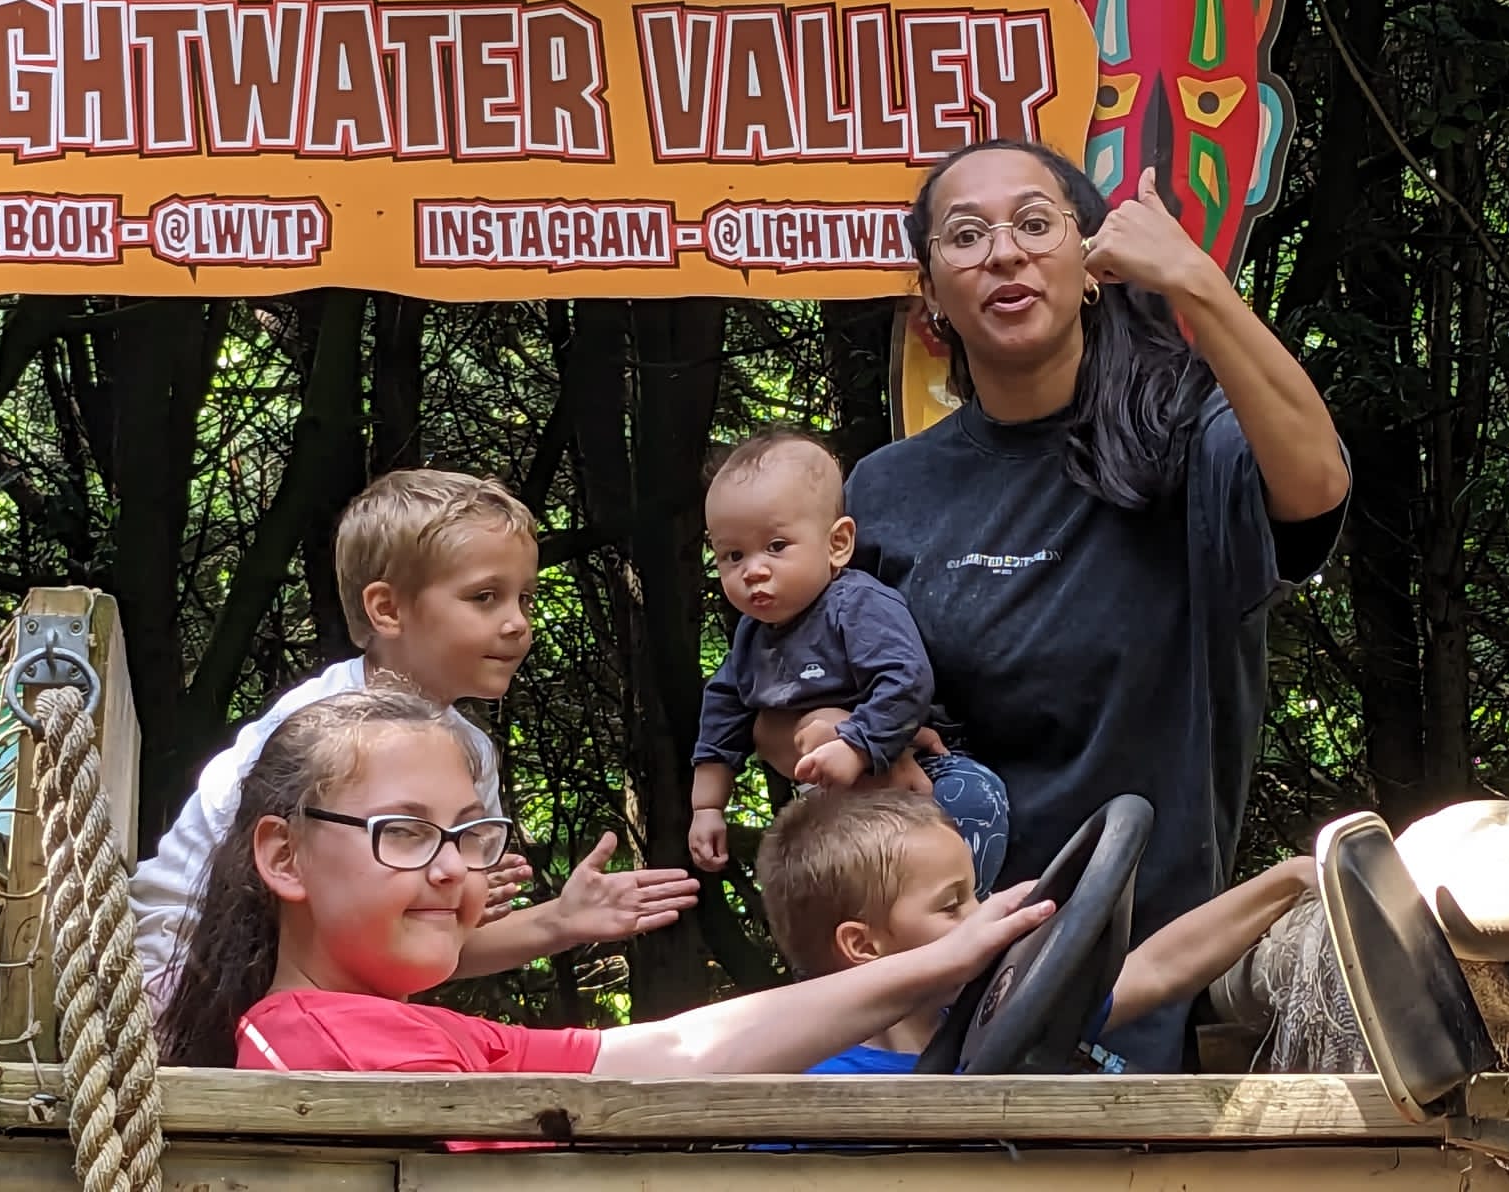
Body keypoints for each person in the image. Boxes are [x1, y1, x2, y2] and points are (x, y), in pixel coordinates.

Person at [759, 141, 1349, 1071]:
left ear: (1090, 265)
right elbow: (780, 697)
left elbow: (1316, 487)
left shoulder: (1184, 438)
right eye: (966, 236)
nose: (1005, 252)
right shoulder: (884, 490)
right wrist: (832, 728)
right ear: (931, 294)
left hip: (1138, 970)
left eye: (1036, 224)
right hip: (925, 991)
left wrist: (1195, 282)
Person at [158, 688, 1056, 1077]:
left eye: (469, 834)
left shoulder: (411, 1030)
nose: (451, 868)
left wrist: (944, 960)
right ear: (285, 858)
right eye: (405, 832)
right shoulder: (324, 1042)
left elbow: (674, 1052)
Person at [130, 468, 698, 1009]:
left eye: (525, 598)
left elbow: (429, 952)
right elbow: (237, 907)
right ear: (387, 609)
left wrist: (558, 920)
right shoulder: (317, 730)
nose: (518, 623)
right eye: (485, 597)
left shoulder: (466, 754)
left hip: (318, 1001)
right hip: (182, 976)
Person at [756, 788, 1316, 1074]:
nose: (981, 916)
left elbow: (1156, 969)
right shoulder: (810, 1086)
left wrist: (1288, 880)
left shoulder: (1000, 1012)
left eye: (975, 893)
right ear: (864, 945)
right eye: (952, 905)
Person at [689, 428, 1009, 896]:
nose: (753, 570)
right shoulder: (751, 637)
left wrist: (857, 745)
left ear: (837, 543)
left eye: (776, 546)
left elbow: (906, 680)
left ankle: (964, 908)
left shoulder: (855, 606)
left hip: (922, 765)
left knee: (976, 798)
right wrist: (707, 807)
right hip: (835, 795)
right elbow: (722, 715)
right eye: (733, 555)